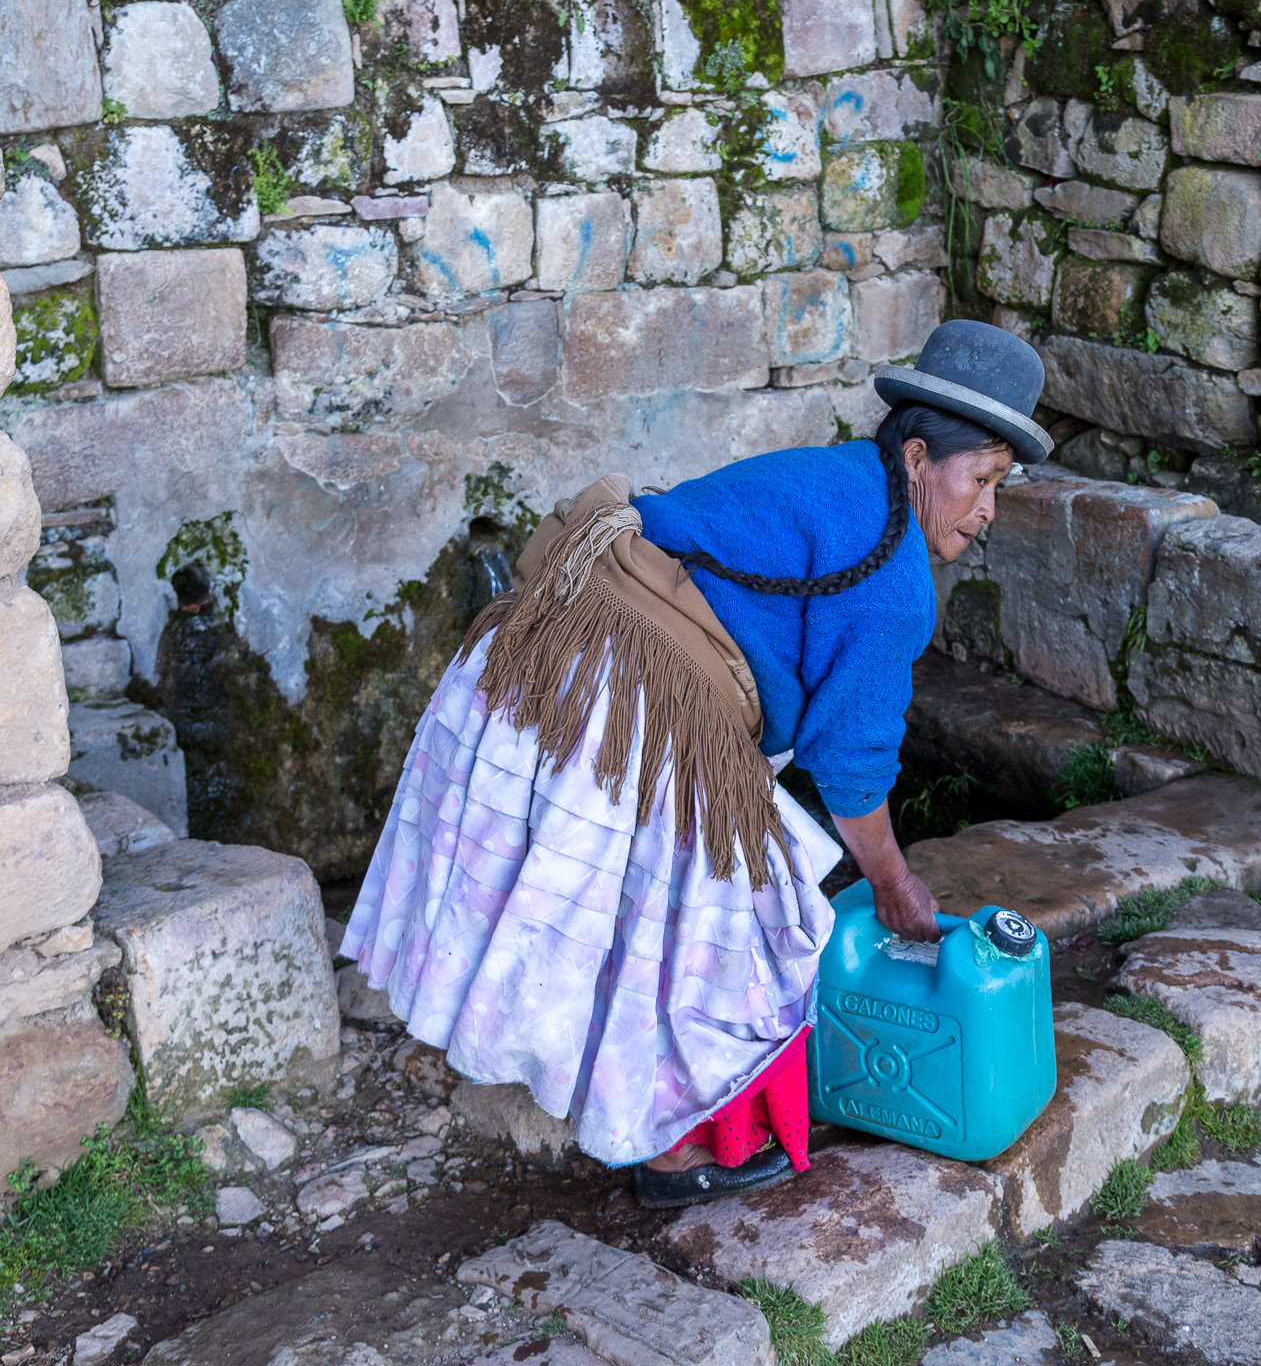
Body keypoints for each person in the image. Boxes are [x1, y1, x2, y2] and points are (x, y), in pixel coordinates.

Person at [340, 320, 1052, 1209]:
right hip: (623, 694)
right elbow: (851, 763)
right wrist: (898, 885)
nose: (986, 510)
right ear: (917, 456)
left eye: (998, 486)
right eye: (980, 480)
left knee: (627, 906)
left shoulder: (835, 478)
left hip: (544, 654)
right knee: (725, 923)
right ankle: (674, 1152)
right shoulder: (895, 575)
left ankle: (586, 1079)